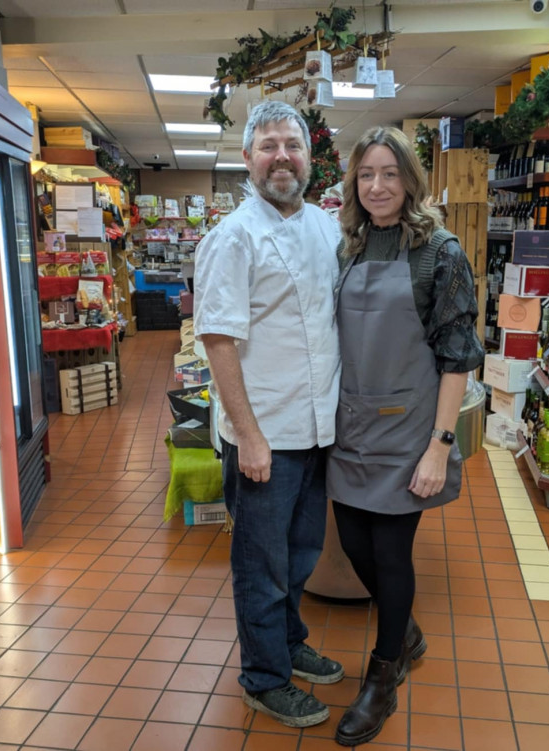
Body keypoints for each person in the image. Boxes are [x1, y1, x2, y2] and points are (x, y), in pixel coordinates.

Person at [327, 126, 484, 746]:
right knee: (354, 544)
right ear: (354, 184)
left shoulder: (439, 252)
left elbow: (458, 356)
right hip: (352, 425)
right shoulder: (348, 246)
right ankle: (406, 631)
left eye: (390, 173)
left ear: (410, 180)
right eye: (367, 175)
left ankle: (382, 676)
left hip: (410, 432)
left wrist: (440, 447)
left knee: (391, 556)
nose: (378, 186)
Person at [193, 100, 344, 728]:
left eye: (293, 145)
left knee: (302, 551)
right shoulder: (232, 238)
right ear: (248, 159)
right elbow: (218, 339)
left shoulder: (327, 228)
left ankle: (287, 642)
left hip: (316, 429)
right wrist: (249, 436)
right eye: (269, 146)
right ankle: (263, 675)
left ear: (310, 158)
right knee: (261, 563)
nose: (281, 157)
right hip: (264, 437)